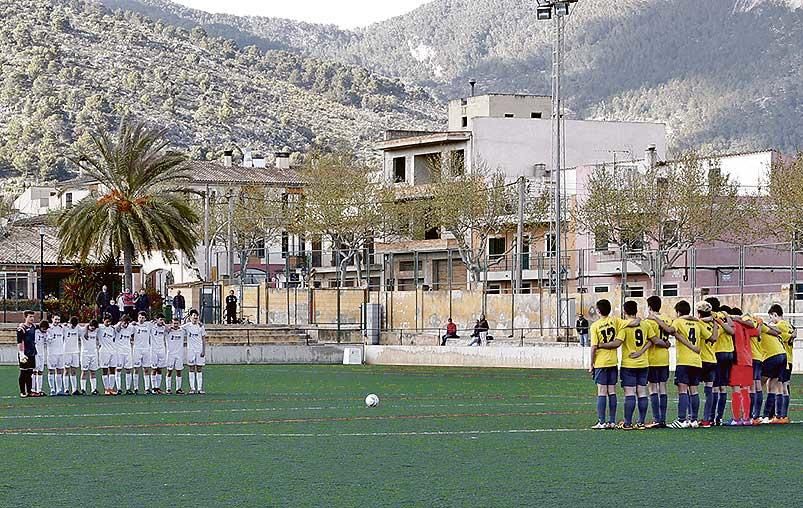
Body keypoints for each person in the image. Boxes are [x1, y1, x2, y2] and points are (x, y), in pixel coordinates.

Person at [609, 300, 655, 430]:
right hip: (643, 363)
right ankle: (641, 422)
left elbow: (617, 343)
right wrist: (641, 352)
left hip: (629, 364)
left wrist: (601, 346)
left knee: (629, 393)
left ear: (624, 311)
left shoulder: (624, 327)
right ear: (636, 310)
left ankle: (628, 423)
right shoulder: (645, 325)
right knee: (642, 392)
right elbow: (652, 340)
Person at [668, 300, 711, 429]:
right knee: (694, 390)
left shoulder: (678, 321)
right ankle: (693, 420)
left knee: (682, 389)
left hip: (684, 360)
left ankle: (682, 419)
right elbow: (710, 337)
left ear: (678, 312)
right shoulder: (697, 323)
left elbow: (670, 330)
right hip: (697, 361)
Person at [588, 299, 623, 429]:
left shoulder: (595, 326)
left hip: (601, 363)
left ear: (598, 311)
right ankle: (612, 421)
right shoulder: (615, 321)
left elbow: (593, 347)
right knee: (612, 391)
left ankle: (602, 422)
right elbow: (629, 323)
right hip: (613, 362)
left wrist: (591, 364)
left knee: (602, 391)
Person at [645, 296, 673, 429]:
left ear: (649, 307)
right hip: (664, 359)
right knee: (663, 387)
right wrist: (666, 344)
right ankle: (663, 419)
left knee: (652, 388)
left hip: (652, 358)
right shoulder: (667, 319)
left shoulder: (648, 322)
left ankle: (656, 418)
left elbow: (650, 340)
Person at [759, 304, 790, 423]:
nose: (770, 320)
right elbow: (790, 333)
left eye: (771, 317)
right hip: (784, 355)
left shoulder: (773, 325)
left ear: (775, 315)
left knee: (757, 385)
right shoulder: (783, 326)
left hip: (773, 356)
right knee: (776, 385)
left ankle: (758, 415)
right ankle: (780, 416)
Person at [706, 298, 735, 427]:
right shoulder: (724, 315)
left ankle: (711, 417)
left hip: (718, 352)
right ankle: (720, 417)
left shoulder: (713, 315)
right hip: (730, 352)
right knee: (723, 386)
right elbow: (732, 328)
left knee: (715, 386)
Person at [728, 308, 758, 425]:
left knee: (736, 388)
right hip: (748, 360)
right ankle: (746, 419)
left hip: (737, 359)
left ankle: (736, 419)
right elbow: (757, 331)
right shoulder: (747, 326)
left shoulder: (734, 324)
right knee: (745, 389)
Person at [697, 302, 719, 427]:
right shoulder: (715, 323)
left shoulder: (699, 323)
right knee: (709, 390)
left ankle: (691, 418)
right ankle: (708, 419)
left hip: (701, 360)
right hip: (712, 359)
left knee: (692, 388)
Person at [182, 309, 207, 394]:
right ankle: (192, 388)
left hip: (199, 350)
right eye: (194, 316)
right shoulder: (187, 326)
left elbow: (203, 339)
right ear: (190, 317)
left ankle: (199, 388)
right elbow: (178, 327)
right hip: (191, 350)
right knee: (191, 368)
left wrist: (203, 350)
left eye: (196, 317)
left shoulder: (201, 327)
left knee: (199, 368)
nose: (195, 318)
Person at [16, 310, 37, 397]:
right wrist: (21, 354)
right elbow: (19, 342)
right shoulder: (21, 329)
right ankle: (22, 391)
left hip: (32, 352)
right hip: (24, 354)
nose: (32, 318)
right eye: (30, 317)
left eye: (33, 317)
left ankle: (29, 391)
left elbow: (44, 327)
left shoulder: (33, 326)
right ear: (25, 317)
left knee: (30, 372)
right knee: (23, 372)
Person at [131, 311, 152, 394]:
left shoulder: (148, 325)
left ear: (145, 318)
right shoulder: (134, 326)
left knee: (146, 369)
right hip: (137, 349)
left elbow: (158, 322)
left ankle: (147, 388)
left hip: (146, 349)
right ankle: (135, 388)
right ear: (137, 317)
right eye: (139, 317)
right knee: (136, 369)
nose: (141, 319)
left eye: (143, 318)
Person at [98, 314, 118, 396]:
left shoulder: (112, 329)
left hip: (113, 351)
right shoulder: (99, 327)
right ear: (103, 320)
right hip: (103, 351)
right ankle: (106, 388)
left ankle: (111, 388)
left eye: (110, 321)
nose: (108, 323)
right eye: (107, 321)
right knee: (105, 370)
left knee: (113, 369)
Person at [63, 317, 83, 395]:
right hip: (66, 352)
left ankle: (74, 389)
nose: (73, 326)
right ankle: (66, 389)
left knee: (74, 371)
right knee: (66, 370)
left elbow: (84, 331)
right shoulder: (65, 328)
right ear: (69, 322)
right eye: (72, 325)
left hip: (75, 352)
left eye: (74, 325)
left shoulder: (78, 328)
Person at [46, 315, 66, 396]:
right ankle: (52, 389)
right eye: (56, 319)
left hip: (60, 353)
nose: (57, 321)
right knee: (51, 370)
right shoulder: (49, 328)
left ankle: (59, 389)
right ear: (52, 319)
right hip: (51, 353)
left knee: (59, 370)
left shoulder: (61, 328)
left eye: (58, 319)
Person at [115, 316, 135, 395]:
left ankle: (128, 388)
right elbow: (117, 329)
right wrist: (120, 323)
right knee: (118, 369)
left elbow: (135, 327)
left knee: (128, 369)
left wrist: (133, 323)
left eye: (127, 323)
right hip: (119, 351)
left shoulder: (130, 327)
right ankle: (119, 388)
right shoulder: (117, 326)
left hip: (128, 351)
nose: (125, 325)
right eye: (124, 322)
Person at [166, 317, 186, 394]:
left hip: (179, 354)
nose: (175, 325)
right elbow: (160, 326)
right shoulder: (168, 331)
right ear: (172, 323)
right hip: (170, 354)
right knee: (169, 371)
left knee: (179, 371)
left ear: (179, 324)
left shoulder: (182, 331)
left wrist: (199, 323)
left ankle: (178, 389)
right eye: (174, 323)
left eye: (177, 323)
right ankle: (168, 389)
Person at [81, 319, 100, 395]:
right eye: (91, 326)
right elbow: (82, 326)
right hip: (85, 354)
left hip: (94, 353)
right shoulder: (83, 331)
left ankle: (94, 389)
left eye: (94, 327)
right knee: (84, 371)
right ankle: (83, 389)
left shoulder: (96, 330)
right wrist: (86, 329)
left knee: (93, 372)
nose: (92, 328)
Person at [150, 314, 168, 394]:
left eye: (162, 320)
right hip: (153, 350)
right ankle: (153, 387)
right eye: (160, 319)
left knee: (160, 369)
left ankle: (158, 388)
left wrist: (164, 324)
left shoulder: (164, 327)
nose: (161, 321)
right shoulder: (152, 326)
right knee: (154, 369)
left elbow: (169, 330)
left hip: (162, 350)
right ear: (156, 319)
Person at [32, 315, 47, 396]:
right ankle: (33, 389)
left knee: (40, 371)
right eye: (43, 328)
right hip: (35, 354)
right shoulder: (35, 331)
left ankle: (39, 390)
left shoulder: (45, 333)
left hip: (42, 353)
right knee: (35, 371)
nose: (44, 330)